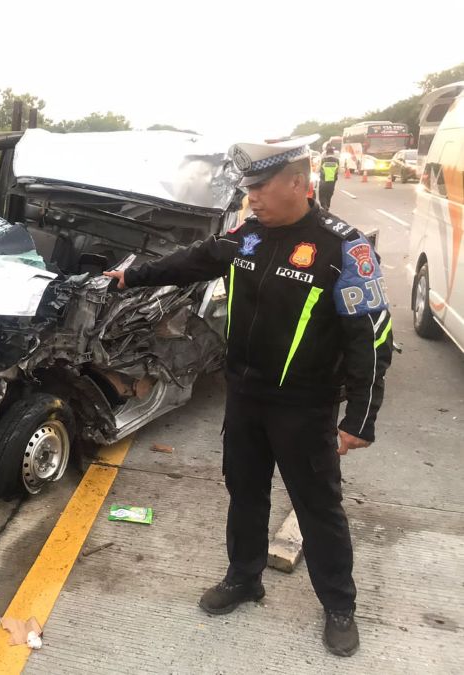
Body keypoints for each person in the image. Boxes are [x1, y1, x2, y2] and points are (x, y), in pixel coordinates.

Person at [104, 137, 393, 658]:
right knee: (244, 493)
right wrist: (133, 275)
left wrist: (360, 418)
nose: (251, 197)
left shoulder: (343, 249)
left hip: (305, 407)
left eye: (260, 187)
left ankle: (339, 605)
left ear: (299, 184)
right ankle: (244, 577)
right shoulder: (248, 236)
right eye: (249, 188)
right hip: (244, 397)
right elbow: (195, 259)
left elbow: (370, 338)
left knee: (318, 507)